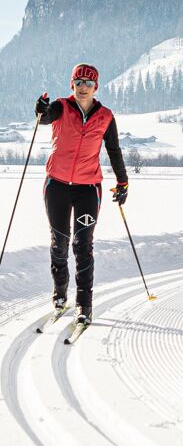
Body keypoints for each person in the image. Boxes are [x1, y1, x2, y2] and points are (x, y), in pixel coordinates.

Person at [36, 63, 129, 324]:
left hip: (88, 189)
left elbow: (114, 151)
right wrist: (40, 109)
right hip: (56, 186)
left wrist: (123, 182)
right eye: (79, 82)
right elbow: (44, 117)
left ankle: (84, 305)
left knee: (83, 245)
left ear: (96, 87)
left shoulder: (106, 116)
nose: (83, 87)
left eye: (89, 83)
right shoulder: (61, 107)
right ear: (72, 86)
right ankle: (60, 294)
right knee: (60, 243)